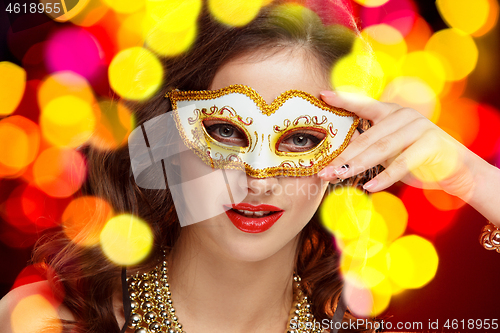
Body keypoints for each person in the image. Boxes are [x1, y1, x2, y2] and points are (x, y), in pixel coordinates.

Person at [1, 1, 499, 333]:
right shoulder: (46, 321)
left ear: (353, 148)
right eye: (224, 130)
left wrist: (476, 181)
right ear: (169, 133)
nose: (259, 177)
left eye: (301, 138)